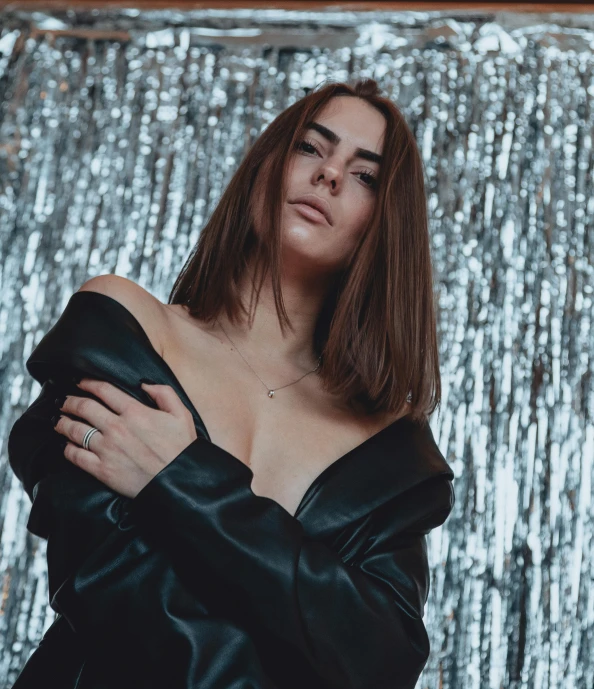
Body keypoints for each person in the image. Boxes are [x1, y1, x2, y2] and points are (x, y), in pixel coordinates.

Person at [8, 78, 455, 689]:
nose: (328, 174)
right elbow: (104, 583)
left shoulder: (390, 456)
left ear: (383, 223)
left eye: (365, 175)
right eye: (309, 147)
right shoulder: (123, 329)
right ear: (264, 168)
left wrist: (180, 481)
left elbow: (379, 659)